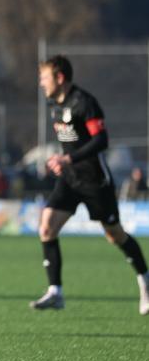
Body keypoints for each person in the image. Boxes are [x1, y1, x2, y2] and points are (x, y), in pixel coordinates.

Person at [32, 55, 148, 315]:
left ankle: (145, 280)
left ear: (60, 77)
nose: (41, 83)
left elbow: (102, 140)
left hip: (95, 180)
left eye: (44, 77)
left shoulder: (85, 102)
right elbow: (69, 143)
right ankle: (55, 292)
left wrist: (68, 157)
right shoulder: (55, 106)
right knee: (47, 228)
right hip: (70, 179)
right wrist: (63, 162)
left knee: (114, 235)